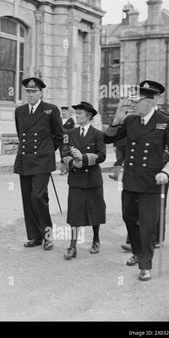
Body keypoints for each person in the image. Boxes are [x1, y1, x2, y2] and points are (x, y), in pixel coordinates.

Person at [104, 80, 169, 281]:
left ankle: (145, 264)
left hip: (152, 182)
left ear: (153, 100)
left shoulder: (165, 121)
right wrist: (118, 117)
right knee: (129, 217)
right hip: (131, 180)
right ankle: (138, 251)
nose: (134, 104)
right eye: (134, 100)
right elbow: (108, 139)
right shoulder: (130, 121)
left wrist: (166, 172)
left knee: (147, 223)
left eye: (138, 100)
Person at [14, 77, 64, 250]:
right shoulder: (19, 111)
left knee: (38, 197)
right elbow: (21, 135)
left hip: (42, 160)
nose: (30, 94)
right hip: (25, 160)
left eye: (34, 91)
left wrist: (49, 151)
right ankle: (34, 236)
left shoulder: (50, 110)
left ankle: (48, 235)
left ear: (41, 92)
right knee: (28, 199)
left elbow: (59, 135)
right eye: (28, 91)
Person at [62, 102, 106, 259]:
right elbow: (64, 153)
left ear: (89, 116)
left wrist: (84, 158)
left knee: (95, 210)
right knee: (75, 212)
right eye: (76, 113)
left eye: (80, 113)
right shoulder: (70, 133)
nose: (77, 116)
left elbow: (102, 155)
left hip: (93, 178)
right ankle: (72, 246)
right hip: (76, 178)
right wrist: (74, 162)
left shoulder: (98, 134)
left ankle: (96, 240)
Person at [59, 106, 75, 175]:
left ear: (69, 112)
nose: (63, 113)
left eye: (65, 111)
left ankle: (66, 169)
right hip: (60, 139)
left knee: (66, 153)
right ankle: (63, 169)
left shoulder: (71, 121)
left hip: (68, 140)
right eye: (62, 111)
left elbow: (73, 131)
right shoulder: (60, 120)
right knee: (61, 153)